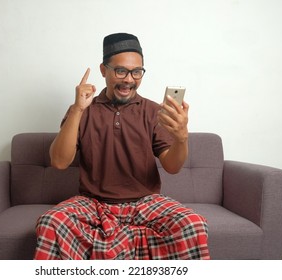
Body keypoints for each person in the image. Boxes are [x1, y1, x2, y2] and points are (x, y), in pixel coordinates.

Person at [34, 33, 210, 260]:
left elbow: (172, 166)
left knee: (193, 224)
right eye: (121, 71)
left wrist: (182, 138)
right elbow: (59, 161)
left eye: (137, 72)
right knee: (51, 222)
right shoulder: (82, 110)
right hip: (93, 203)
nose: (129, 79)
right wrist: (77, 109)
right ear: (103, 70)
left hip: (145, 202)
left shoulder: (153, 111)